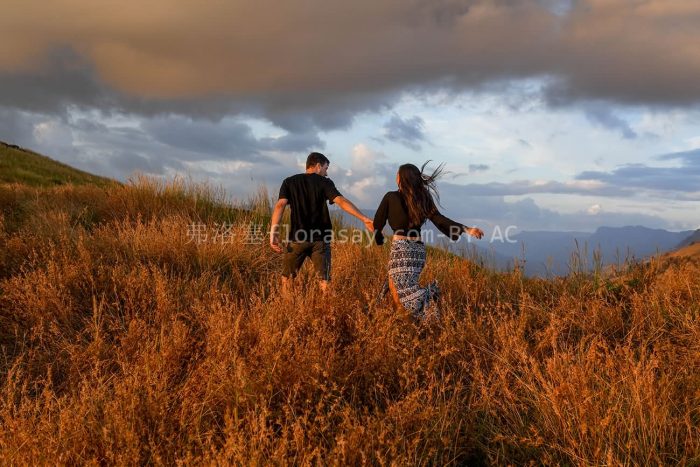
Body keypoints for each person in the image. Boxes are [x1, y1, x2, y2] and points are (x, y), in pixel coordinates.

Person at [373, 162, 484, 318]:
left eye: (397, 174)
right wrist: (467, 229)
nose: (396, 177)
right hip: (418, 251)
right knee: (403, 287)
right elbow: (440, 220)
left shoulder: (391, 197)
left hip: (401, 249)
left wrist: (378, 237)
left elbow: (378, 222)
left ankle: (427, 298)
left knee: (398, 291)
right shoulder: (422, 199)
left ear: (401, 178)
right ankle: (409, 320)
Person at [270, 152, 374, 292]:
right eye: (326, 168)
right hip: (321, 240)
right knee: (324, 281)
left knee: (287, 278)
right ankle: (326, 311)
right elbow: (341, 202)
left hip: (297, 238)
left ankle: (287, 308)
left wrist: (273, 232)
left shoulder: (289, 182)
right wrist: (364, 218)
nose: (326, 173)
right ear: (318, 166)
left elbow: (280, 205)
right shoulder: (325, 182)